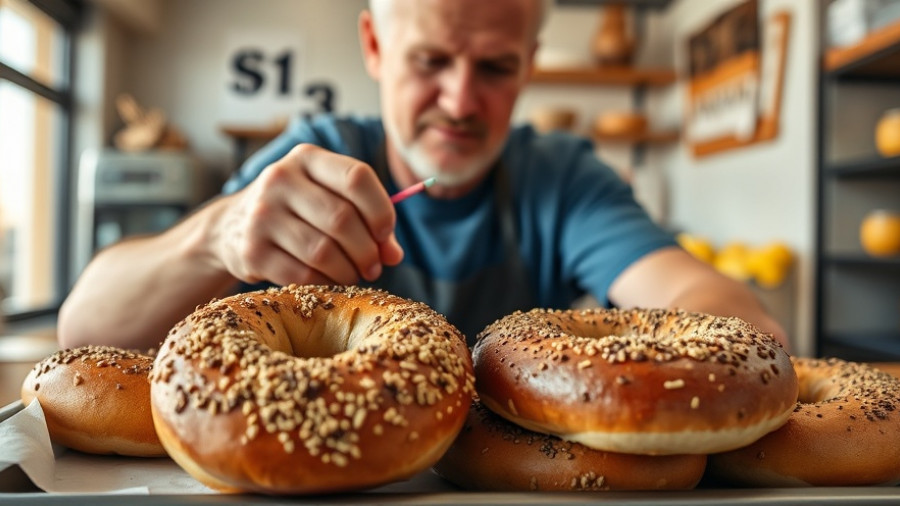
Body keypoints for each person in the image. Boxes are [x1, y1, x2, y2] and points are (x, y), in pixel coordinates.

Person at [58, 0, 788, 351]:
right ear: (375, 45)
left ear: (530, 66)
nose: (462, 101)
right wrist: (218, 234)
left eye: (496, 67)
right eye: (431, 61)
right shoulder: (312, 157)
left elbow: (731, 321)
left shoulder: (560, 178)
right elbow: (85, 325)